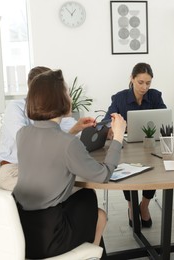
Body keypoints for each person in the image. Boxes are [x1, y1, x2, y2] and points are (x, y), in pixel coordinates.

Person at [12, 69, 127, 259]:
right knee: (91, 202)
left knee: (86, 200)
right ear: (59, 99)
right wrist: (118, 137)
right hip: (50, 237)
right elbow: (103, 175)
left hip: (21, 230)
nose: (69, 95)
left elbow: (50, 146)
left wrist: (73, 130)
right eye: (66, 91)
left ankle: (95, 254)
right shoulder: (68, 144)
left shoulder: (22, 134)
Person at [0, 66, 95, 191]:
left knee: (83, 185)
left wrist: (88, 130)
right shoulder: (16, 107)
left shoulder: (53, 108)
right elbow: (29, 143)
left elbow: (65, 132)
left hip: (43, 167)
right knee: (72, 184)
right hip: (15, 170)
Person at [103, 62, 167, 228]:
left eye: (148, 83)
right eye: (140, 82)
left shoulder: (155, 96)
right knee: (125, 169)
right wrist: (111, 128)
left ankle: (144, 205)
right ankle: (132, 206)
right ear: (132, 79)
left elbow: (165, 118)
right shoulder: (119, 98)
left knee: (154, 169)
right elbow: (105, 121)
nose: (144, 87)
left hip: (149, 146)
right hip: (126, 148)